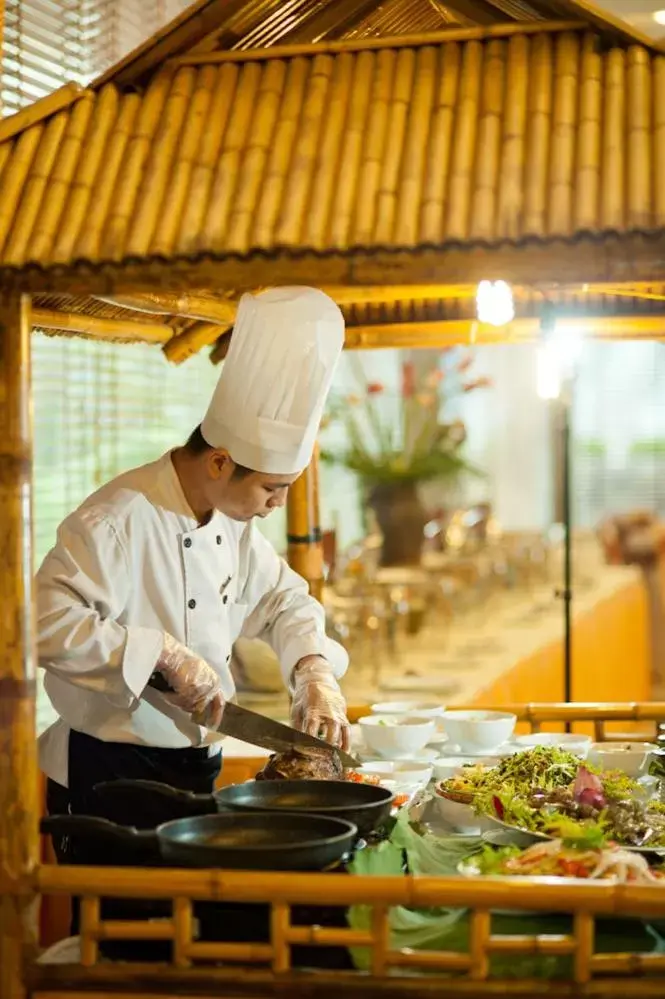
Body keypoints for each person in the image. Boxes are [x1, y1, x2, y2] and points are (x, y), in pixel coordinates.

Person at [38, 287, 350, 875]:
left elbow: (284, 600)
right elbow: (43, 623)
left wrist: (312, 666)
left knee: (188, 932)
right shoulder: (116, 519)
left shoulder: (229, 523)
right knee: (124, 947)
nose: (275, 506)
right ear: (219, 462)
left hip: (196, 768)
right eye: (271, 490)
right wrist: (160, 654)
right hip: (112, 774)